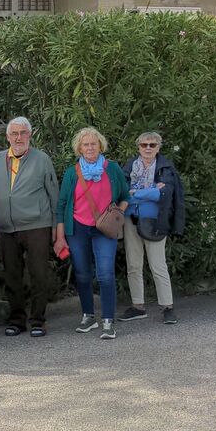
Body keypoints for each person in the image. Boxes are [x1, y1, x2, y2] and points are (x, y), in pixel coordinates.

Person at [54, 127, 129, 340]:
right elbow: (62, 205)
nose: (89, 148)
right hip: (77, 228)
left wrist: (118, 213)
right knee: (83, 274)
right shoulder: (72, 172)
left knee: (105, 274)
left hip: (104, 230)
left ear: (100, 146)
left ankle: (107, 321)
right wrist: (60, 236)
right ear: (79, 148)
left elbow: (125, 195)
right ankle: (88, 316)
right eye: (85, 144)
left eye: (93, 144)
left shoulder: (111, 169)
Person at [0, 116, 59, 337]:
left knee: (38, 274)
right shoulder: (0, 158)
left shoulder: (42, 159)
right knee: (12, 275)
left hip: (36, 225)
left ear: (30, 135)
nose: (18, 137)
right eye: (14, 133)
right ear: (7, 137)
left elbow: (54, 195)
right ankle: (17, 320)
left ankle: (38, 320)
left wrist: (57, 228)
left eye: (22, 133)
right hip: (8, 227)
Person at [119, 132, 185, 325]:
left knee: (158, 265)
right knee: (133, 265)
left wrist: (137, 192)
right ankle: (138, 306)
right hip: (131, 220)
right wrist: (152, 191)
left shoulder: (165, 167)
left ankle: (167, 307)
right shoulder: (130, 166)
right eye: (144, 144)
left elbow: (165, 194)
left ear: (159, 147)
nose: (148, 148)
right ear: (138, 146)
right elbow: (123, 193)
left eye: (152, 145)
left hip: (156, 222)